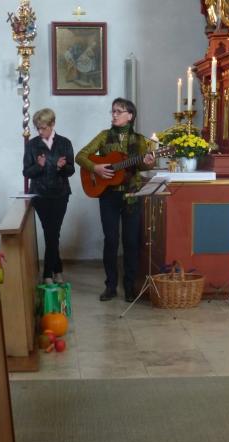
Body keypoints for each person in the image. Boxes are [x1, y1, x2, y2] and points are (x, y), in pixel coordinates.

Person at [75, 98, 156, 302]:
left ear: (130, 115)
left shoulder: (140, 140)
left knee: (131, 242)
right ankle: (110, 286)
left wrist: (148, 162)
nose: (114, 115)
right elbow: (81, 155)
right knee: (111, 241)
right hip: (108, 196)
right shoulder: (104, 136)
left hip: (131, 196)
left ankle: (129, 287)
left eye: (119, 111)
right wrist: (95, 168)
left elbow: (144, 167)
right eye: (113, 111)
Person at [23, 108, 75, 284]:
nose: (40, 131)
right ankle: (50, 273)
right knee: (51, 232)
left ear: (52, 124)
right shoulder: (31, 145)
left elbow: (71, 171)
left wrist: (62, 167)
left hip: (60, 194)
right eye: (38, 128)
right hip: (40, 195)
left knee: (53, 232)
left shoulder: (65, 143)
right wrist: (38, 166)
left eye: (43, 127)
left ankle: (53, 270)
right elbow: (26, 172)